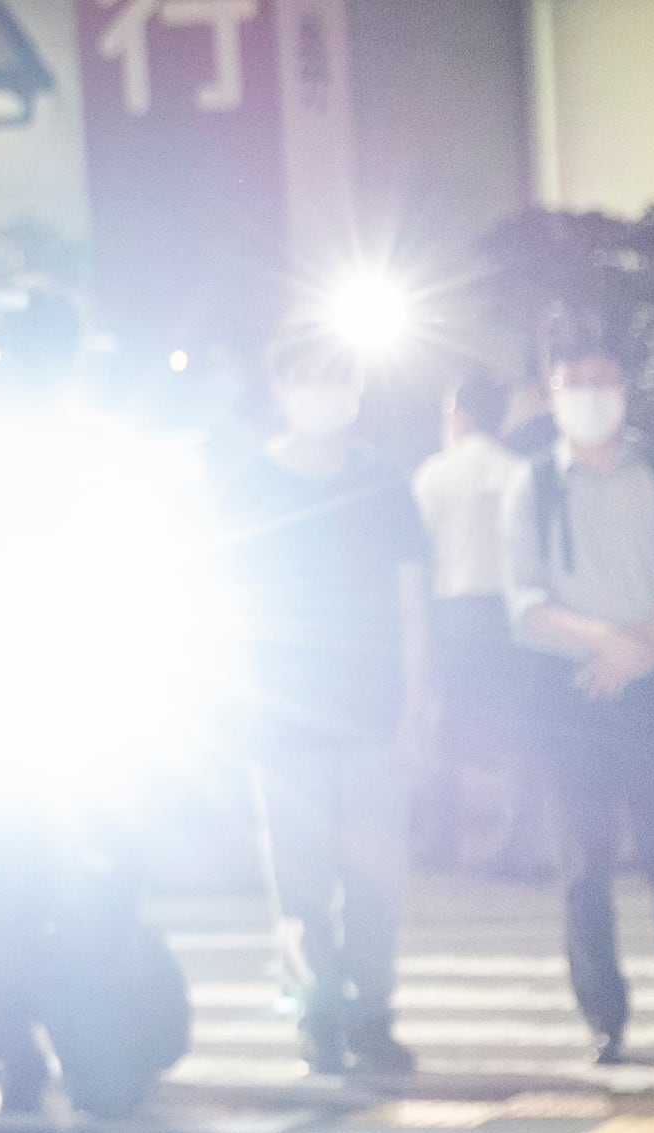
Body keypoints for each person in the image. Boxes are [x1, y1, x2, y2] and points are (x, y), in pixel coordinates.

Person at [506, 338, 654, 1072]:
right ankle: (604, 1019)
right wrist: (607, 642)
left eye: (603, 378)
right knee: (583, 861)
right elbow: (526, 603)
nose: (591, 394)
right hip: (569, 692)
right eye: (576, 381)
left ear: (626, 386)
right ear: (552, 389)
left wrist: (638, 650)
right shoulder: (531, 484)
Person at [227, 324, 429, 1078]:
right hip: (282, 717)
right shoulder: (250, 484)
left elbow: (412, 602)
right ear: (280, 391)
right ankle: (316, 1014)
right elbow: (230, 607)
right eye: (308, 379)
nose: (324, 395)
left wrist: (415, 707)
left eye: (338, 380)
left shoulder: (382, 483)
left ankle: (373, 1013)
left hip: (372, 714)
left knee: (376, 881)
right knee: (301, 883)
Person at [409, 372, 546, 875]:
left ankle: (443, 838)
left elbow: (418, 553)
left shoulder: (434, 473)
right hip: (511, 611)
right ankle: (520, 843)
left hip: (456, 610)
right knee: (520, 729)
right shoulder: (521, 472)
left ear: (459, 415)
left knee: (450, 727)